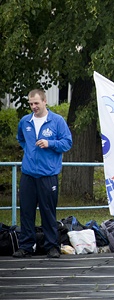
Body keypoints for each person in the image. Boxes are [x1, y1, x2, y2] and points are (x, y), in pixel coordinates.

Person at [13, 89, 72, 259]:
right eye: (31, 104)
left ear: (45, 101)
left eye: (36, 103)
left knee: (48, 212)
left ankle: (52, 246)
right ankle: (26, 246)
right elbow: (21, 139)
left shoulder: (57, 121)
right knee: (26, 211)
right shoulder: (25, 121)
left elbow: (67, 142)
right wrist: (30, 151)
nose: (33, 107)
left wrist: (50, 143)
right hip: (29, 174)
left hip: (48, 174)